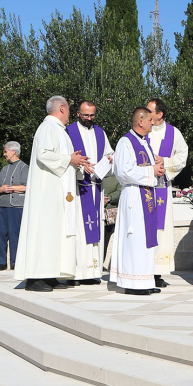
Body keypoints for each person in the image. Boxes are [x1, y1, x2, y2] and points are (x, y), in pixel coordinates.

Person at [14, 96, 92, 293]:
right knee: (45, 233)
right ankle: (35, 277)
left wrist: (77, 162)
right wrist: (69, 159)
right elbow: (44, 154)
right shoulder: (48, 127)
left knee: (55, 233)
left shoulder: (59, 130)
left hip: (59, 193)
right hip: (46, 193)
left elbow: (64, 159)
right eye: (69, 108)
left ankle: (52, 274)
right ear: (62, 108)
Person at [110, 107, 166, 295]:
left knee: (145, 239)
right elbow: (123, 171)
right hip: (134, 196)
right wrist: (152, 171)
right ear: (140, 121)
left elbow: (149, 168)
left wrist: (158, 169)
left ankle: (145, 280)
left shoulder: (144, 143)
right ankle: (133, 283)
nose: (153, 123)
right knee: (135, 239)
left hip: (147, 195)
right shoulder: (126, 142)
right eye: (150, 120)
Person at [67, 100, 114, 285]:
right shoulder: (69, 132)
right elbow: (65, 157)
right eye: (85, 115)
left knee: (95, 231)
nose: (89, 118)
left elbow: (110, 152)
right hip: (78, 190)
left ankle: (93, 272)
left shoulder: (100, 132)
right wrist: (79, 165)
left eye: (92, 115)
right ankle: (76, 274)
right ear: (78, 113)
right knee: (79, 230)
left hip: (96, 187)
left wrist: (110, 159)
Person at [146, 98, 189, 287]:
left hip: (162, 186)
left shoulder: (173, 133)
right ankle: (144, 269)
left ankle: (157, 272)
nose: (146, 113)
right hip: (144, 186)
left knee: (161, 230)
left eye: (150, 111)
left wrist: (164, 161)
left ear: (160, 114)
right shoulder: (143, 128)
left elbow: (182, 156)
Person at [0, 141, 28, 271]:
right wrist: (1, 189)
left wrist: (12, 188)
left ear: (14, 151)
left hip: (16, 206)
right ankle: (1, 262)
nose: (4, 154)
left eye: (6, 151)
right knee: (0, 233)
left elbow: (27, 186)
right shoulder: (4, 169)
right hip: (1, 205)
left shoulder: (24, 167)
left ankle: (15, 262)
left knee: (15, 234)